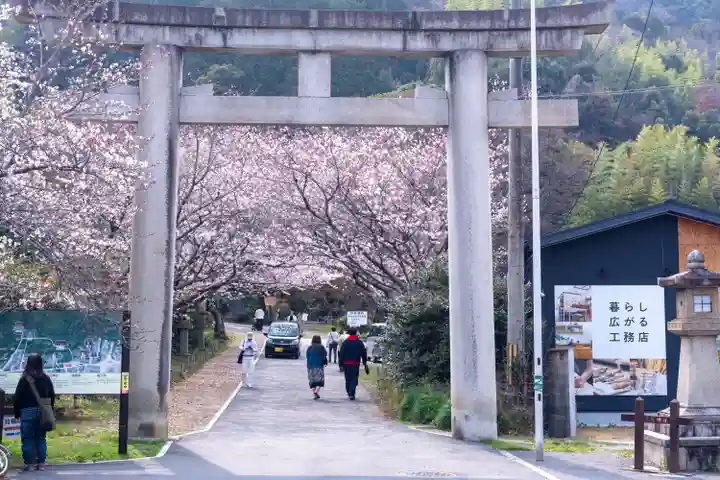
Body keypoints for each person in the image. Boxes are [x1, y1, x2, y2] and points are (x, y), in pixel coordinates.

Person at [13, 354, 55, 471]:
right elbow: (52, 396)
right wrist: (49, 410)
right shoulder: (45, 378)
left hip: (26, 413)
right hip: (42, 413)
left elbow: (17, 398)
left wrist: (17, 413)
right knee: (41, 438)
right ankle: (41, 463)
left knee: (27, 439)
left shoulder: (24, 379)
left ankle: (29, 464)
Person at [338, 327, 369, 401]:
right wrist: (365, 363)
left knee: (348, 378)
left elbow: (341, 353)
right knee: (354, 378)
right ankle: (352, 392)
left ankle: (349, 391)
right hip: (355, 363)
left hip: (346, 363)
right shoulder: (359, 342)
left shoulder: (345, 343)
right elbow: (363, 353)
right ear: (356, 333)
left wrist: (341, 363)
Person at [306, 335, 328, 400]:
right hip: (319, 365)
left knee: (312, 380)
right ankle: (316, 391)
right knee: (319, 379)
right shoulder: (321, 347)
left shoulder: (310, 347)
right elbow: (325, 355)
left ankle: (314, 392)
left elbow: (307, 356)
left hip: (310, 365)